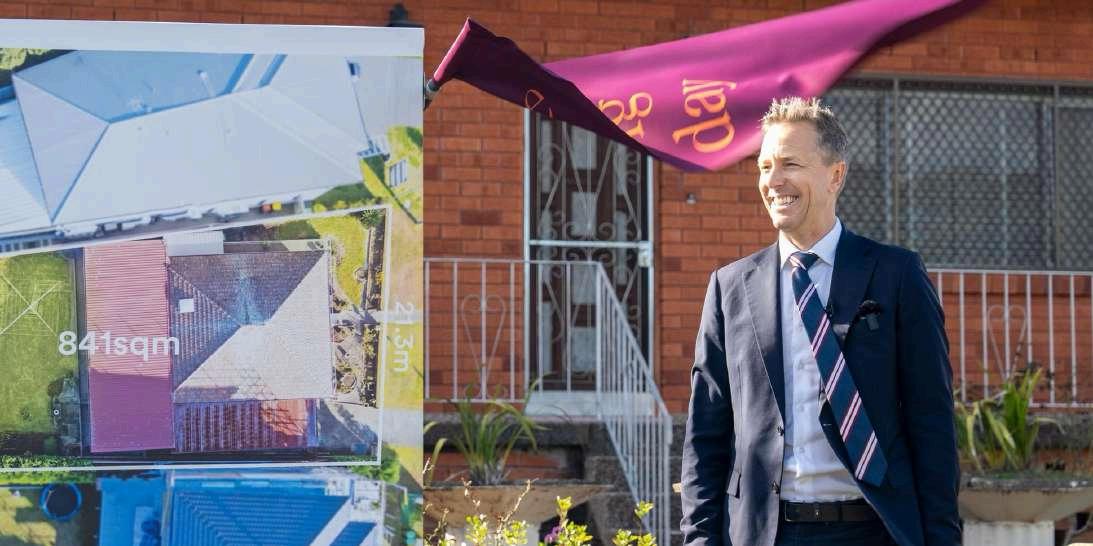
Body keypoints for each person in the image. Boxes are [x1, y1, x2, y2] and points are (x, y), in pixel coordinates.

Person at [679, 97, 960, 546]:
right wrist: (699, 539)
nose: (773, 181)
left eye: (790, 163)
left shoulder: (896, 275)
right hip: (767, 533)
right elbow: (705, 435)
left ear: (835, 175)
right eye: (764, 166)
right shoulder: (730, 288)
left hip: (873, 530)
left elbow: (932, 423)